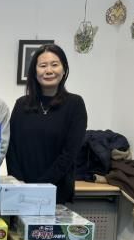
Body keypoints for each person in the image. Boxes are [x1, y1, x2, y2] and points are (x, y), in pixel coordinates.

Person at [6, 43, 87, 204]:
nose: (49, 70)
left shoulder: (75, 104)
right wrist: (18, 182)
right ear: (34, 71)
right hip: (21, 191)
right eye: (43, 66)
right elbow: (11, 147)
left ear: (64, 69)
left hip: (56, 193)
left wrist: (41, 186)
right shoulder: (21, 104)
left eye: (54, 65)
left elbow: (69, 153)